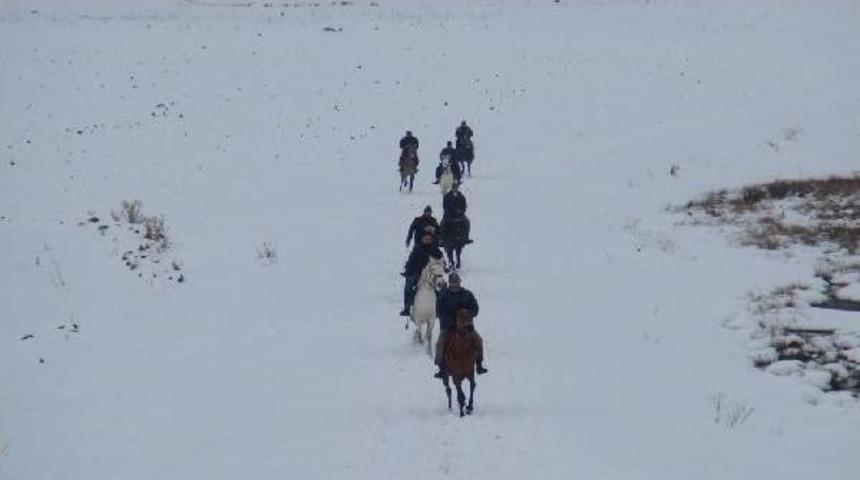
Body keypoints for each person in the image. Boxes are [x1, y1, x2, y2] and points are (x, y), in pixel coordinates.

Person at [434, 272, 486, 378]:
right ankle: (441, 368)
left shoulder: (467, 294)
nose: (454, 286)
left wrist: (467, 315)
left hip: (465, 326)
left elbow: (475, 308)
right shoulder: (444, 296)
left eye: (456, 283)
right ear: (449, 284)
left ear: (459, 282)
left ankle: (479, 365)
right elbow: (439, 312)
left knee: (478, 340)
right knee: (440, 343)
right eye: (452, 284)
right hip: (449, 327)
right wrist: (451, 321)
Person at [399, 232, 443, 316]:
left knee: (440, 287)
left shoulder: (435, 249)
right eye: (426, 239)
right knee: (408, 286)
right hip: (416, 272)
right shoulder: (417, 249)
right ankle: (407, 308)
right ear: (422, 239)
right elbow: (411, 261)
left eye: (429, 239)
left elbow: (440, 260)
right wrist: (408, 271)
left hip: (431, 273)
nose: (427, 241)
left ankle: (438, 309)